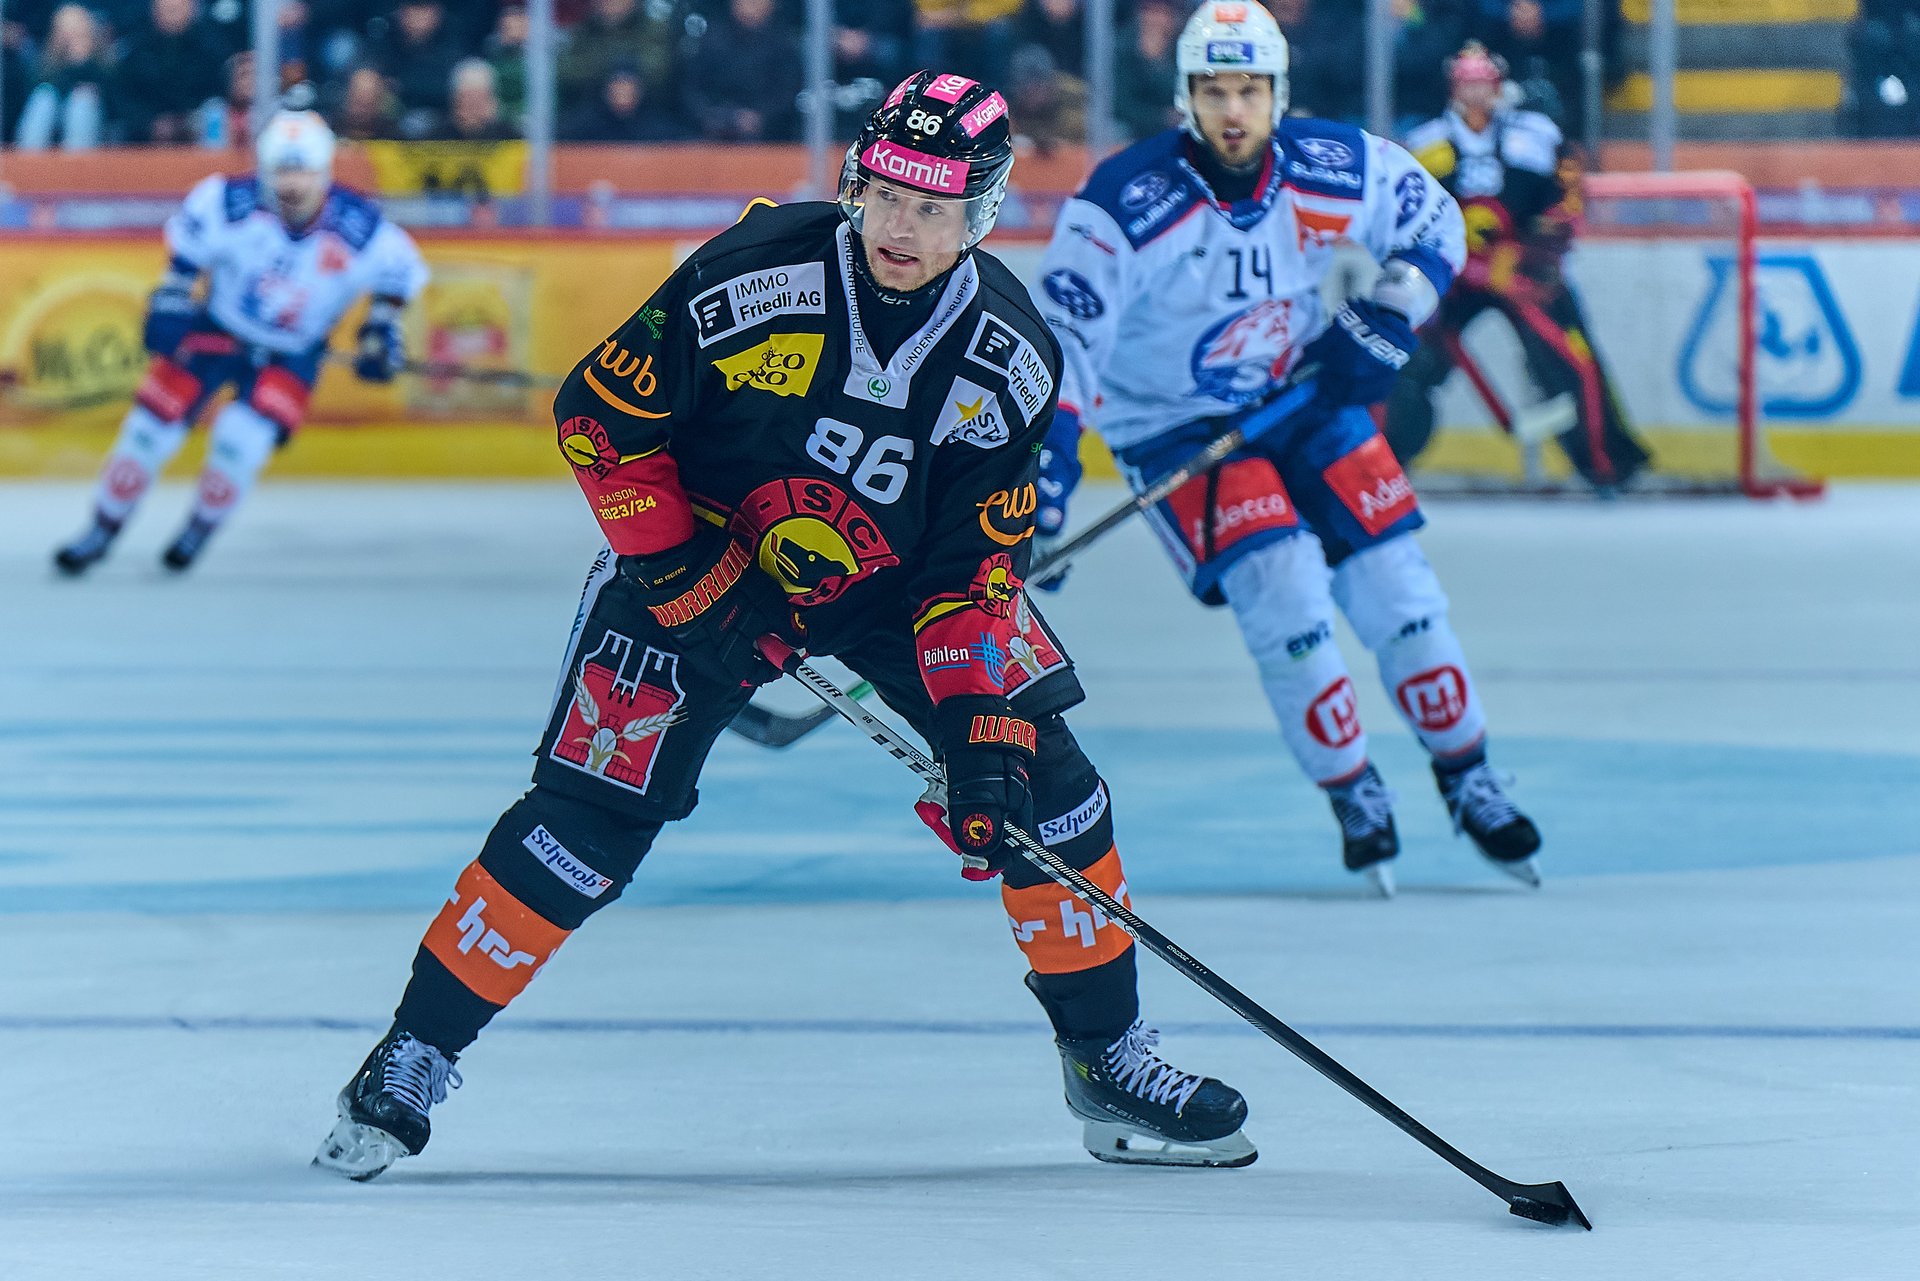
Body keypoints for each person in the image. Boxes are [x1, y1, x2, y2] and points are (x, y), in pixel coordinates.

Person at [313, 71, 1254, 1182]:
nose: (901, 226)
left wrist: (977, 730)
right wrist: (692, 585)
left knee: (1048, 790)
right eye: (888, 194)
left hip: (895, 591)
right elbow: (600, 424)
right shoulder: (753, 274)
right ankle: (415, 1050)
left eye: (934, 206)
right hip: (698, 557)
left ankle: (1106, 1059)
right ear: (856, 181)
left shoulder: (1009, 359)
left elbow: (972, 577)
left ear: (983, 211)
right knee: (587, 820)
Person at [1031, 2, 1541, 896]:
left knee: (1399, 589)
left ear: (1278, 92)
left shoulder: (1333, 162)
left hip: (1305, 394)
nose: (1234, 110)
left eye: (1250, 90)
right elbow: (1064, 339)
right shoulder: (1122, 202)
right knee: (1286, 597)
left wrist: (1390, 311)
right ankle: (1353, 788)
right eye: (1214, 90)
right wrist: (1046, 469)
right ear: (1186, 97)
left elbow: (1434, 220)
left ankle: (1469, 775)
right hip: (1176, 428)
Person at [51, 110, 428, 576]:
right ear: (264, 170)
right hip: (216, 332)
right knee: (147, 432)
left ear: (325, 172)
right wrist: (171, 299)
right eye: (281, 172)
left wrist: (381, 329)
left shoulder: (361, 228)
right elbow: (184, 262)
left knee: (239, 443)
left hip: (291, 353)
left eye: (304, 172)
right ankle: (101, 530)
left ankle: (197, 532)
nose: (292, 186)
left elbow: (400, 275)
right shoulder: (228, 203)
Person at [1388, 41, 1651, 489]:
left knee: (1572, 361)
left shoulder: (1537, 135)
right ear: (1452, 89)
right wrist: (1457, 266)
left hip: (1522, 275)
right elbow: (1402, 221)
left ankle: (1607, 464)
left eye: (1482, 84)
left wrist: (1530, 256)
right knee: (1402, 360)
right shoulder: (1423, 145)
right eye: (1466, 85)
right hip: (1452, 281)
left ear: (1499, 86)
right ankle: (1382, 466)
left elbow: (1567, 205)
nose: (1475, 95)